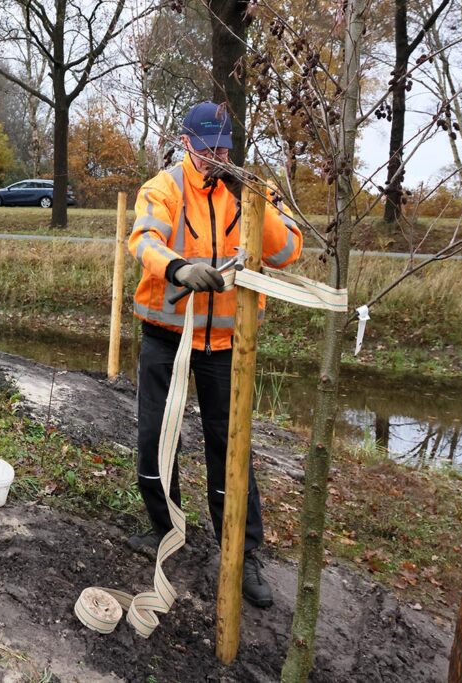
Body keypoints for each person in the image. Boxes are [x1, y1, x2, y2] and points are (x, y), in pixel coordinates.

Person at [127, 101, 303, 608]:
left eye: (223, 148)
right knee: (155, 438)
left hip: (228, 347)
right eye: (206, 150)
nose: (215, 158)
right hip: (166, 336)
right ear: (186, 143)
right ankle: (164, 529)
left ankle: (242, 553)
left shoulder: (252, 190)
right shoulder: (164, 188)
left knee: (232, 450)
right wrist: (179, 269)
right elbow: (143, 239)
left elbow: (286, 250)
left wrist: (253, 201)